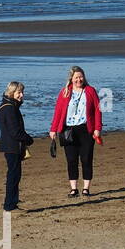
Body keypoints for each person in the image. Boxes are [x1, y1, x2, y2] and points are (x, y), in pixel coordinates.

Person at [49, 65, 103, 197]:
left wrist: (97, 128)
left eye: (81, 77)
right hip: (68, 130)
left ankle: (86, 188)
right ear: (71, 79)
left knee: (86, 159)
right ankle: (73, 189)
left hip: (86, 129)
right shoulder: (65, 92)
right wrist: (53, 129)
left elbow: (97, 110)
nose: (79, 80)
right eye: (76, 77)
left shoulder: (90, 91)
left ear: (84, 78)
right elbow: (58, 112)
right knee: (71, 160)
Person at [0, 80, 33, 211]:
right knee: (13, 176)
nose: (21, 95)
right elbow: (15, 131)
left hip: (11, 146)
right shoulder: (9, 108)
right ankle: (9, 205)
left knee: (15, 175)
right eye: (19, 92)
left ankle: (12, 202)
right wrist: (28, 139)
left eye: (22, 92)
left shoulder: (9, 106)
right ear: (11, 93)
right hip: (12, 147)